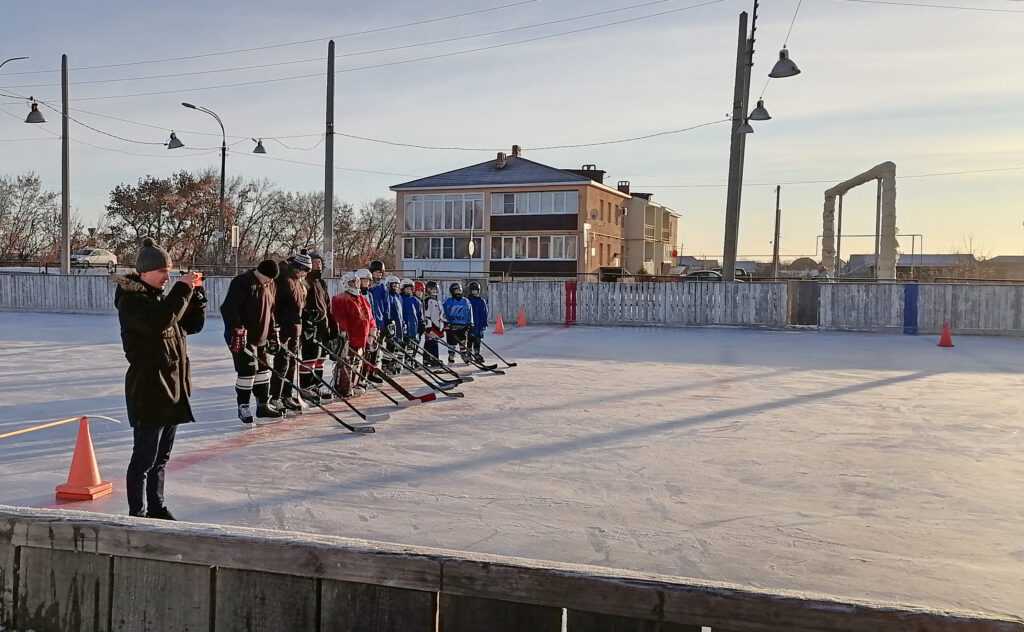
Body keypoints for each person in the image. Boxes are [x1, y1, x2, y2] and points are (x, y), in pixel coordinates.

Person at [113, 237, 206, 520]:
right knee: (144, 458)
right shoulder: (132, 301)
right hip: (149, 388)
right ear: (144, 272)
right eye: (162, 271)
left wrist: (196, 298)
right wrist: (181, 288)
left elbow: (192, 326)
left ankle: (157, 505)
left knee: (161, 459)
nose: (167, 276)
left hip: (173, 386)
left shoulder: (159, 299)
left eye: (169, 271)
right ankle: (137, 512)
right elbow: (160, 321)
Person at [220, 259, 285, 425]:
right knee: (247, 372)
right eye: (267, 279)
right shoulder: (242, 282)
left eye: (271, 280)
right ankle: (243, 406)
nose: (269, 282)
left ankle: (263, 406)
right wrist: (237, 328)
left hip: (261, 336)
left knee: (263, 372)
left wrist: (273, 333)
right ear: (259, 274)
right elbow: (228, 308)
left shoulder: (270, 285)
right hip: (242, 337)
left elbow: (271, 311)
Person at [270, 252, 312, 412]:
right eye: (305, 270)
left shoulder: (298, 283)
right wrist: (276, 326)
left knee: (292, 361)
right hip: (284, 327)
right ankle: (275, 396)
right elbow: (276, 305)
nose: (306, 274)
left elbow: (300, 307)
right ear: (298, 267)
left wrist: (306, 321)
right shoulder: (284, 280)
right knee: (282, 362)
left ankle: (287, 394)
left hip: (296, 328)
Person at [330, 271, 376, 397]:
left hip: (362, 338)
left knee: (358, 363)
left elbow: (370, 317)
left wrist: (372, 332)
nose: (355, 285)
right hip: (350, 339)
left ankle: (355, 384)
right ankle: (343, 387)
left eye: (356, 282)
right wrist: (344, 334)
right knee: (346, 364)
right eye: (352, 283)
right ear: (345, 284)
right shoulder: (340, 298)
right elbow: (340, 318)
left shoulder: (362, 299)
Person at [300, 251, 335, 399]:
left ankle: (317, 385)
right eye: (314, 263)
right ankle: (306, 386)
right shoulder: (305, 282)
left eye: (319, 263)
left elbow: (327, 305)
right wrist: (306, 317)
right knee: (309, 357)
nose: (318, 265)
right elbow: (300, 303)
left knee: (320, 358)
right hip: (309, 326)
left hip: (322, 325)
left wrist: (333, 327)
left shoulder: (321, 283)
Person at [442, 282, 474, 364]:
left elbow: (469, 312)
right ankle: (451, 355)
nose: (458, 292)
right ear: (452, 292)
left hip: (463, 325)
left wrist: (470, 323)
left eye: (459, 290)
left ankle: (464, 355)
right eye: (456, 290)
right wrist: (446, 323)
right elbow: (444, 313)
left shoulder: (465, 301)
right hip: (452, 326)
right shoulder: (448, 302)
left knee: (463, 341)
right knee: (451, 342)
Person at [381, 275, 406, 374]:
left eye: (397, 285)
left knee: (397, 346)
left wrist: (403, 323)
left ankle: (393, 363)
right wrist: (388, 322)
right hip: (391, 324)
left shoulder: (399, 297)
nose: (395, 287)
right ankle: (385, 364)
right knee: (390, 346)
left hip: (399, 325)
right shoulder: (388, 296)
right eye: (393, 285)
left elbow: (401, 312)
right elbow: (387, 310)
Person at [422, 280, 444, 367]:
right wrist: (428, 327)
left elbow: (441, 314)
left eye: (435, 289)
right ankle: (428, 359)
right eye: (432, 289)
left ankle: (433, 358)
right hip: (431, 326)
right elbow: (426, 314)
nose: (434, 290)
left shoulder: (437, 301)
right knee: (430, 342)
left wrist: (443, 324)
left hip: (437, 325)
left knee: (434, 342)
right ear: (428, 289)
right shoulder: (427, 300)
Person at [399, 278, 423, 356]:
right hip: (403, 329)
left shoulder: (416, 301)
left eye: (410, 289)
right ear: (402, 289)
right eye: (407, 289)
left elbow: (419, 315)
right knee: (401, 349)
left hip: (413, 329)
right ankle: (399, 364)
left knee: (411, 348)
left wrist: (421, 325)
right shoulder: (400, 299)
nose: (409, 290)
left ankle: (410, 361)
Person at [466, 281, 488, 363]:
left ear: (479, 291)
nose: (474, 292)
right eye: (473, 290)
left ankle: (477, 353)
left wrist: (484, 324)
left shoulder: (481, 301)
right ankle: (468, 353)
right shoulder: (468, 300)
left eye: (476, 290)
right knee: (470, 340)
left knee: (477, 340)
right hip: (470, 325)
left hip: (479, 325)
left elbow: (485, 313)